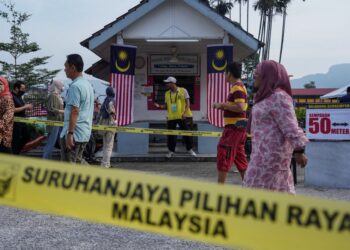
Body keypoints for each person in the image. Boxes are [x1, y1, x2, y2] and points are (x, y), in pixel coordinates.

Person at [243, 60, 308, 194]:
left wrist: (299, 151)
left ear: (269, 75)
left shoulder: (279, 97)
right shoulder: (264, 97)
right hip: (260, 156)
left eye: (258, 72)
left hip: (270, 160)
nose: (254, 74)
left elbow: (290, 126)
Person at [213, 62, 248, 184]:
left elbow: (240, 107)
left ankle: (220, 189)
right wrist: (224, 106)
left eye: (225, 73)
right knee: (240, 159)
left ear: (229, 73)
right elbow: (239, 106)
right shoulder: (240, 87)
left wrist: (222, 105)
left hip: (234, 128)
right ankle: (250, 187)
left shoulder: (237, 87)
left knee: (224, 152)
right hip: (239, 127)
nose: (224, 75)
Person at [60, 54, 94, 164]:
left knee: (69, 169)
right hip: (84, 132)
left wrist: (70, 134)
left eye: (66, 66)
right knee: (79, 162)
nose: (65, 69)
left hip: (74, 133)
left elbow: (75, 111)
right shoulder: (88, 85)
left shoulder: (75, 86)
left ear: (73, 67)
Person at [154, 76, 196, 158]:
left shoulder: (183, 90)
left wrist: (184, 113)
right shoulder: (167, 94)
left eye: (168, 83)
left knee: (187, 134)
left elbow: (188, 103)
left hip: (183, 116)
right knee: (171, 135)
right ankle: (171, 151)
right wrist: (159, 106)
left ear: (173, 83)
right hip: (171, 117)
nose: (166, 84)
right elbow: (166, 106)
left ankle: (190, 150)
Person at [42, 80, 64, 159]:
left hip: (59, 122)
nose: (62, 87)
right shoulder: (53, 96)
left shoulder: (58, 96)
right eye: (61, 86)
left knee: (58, 142)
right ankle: (45, 160)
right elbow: (50, 108)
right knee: (51, 142)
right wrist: (63, 111)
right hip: (54, 122)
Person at [11, 80, 33, 154]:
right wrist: (25, 106)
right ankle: (13, 154)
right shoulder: (11, 96)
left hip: (22, 121)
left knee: (27, 137)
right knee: (15, 140)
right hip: (15, 123)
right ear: (16, 88)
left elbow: (21, 107)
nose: (24, 90)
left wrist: (26, 107)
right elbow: (12, 110)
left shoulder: (19, 96)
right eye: (22, 89)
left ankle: (16, 152)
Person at [98, 86, 116, 168]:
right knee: (109, 146)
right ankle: (105, 164)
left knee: (105, 145)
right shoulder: (111, 100)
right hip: (109, 123)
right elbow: (111, 110)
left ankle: (105, 163)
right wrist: (115, 117)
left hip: (103, 124)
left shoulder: (105, 100)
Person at [0, 76, 15, 153]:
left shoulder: (8, 98)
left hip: (4, 133)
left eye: (0, 84)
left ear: (5, 85)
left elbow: (8, 115)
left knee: (6, 152)